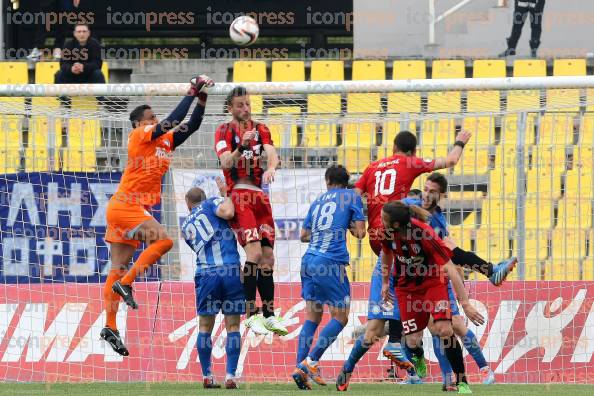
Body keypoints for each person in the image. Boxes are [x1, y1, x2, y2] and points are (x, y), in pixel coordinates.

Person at [336, 130, 471, 390]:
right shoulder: (411, 169)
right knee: (420, 324)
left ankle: (356, 367)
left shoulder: (374, 166)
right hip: (395, 245)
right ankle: (393, 351)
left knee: (396, 326)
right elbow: (451, 161)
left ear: (394, 146)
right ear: (412, 151)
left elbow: (352, 195)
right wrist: (460, 141)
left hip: (383, 241)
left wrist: (357, 224)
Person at [100, 75, 214, 355]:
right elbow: (172, 121)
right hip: (127, 206)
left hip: (124, 207)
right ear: (140, 123)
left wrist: (201, 99)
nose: (156, 120)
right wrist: (190, 90)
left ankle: (110, 326)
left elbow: (191, 125)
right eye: (150, 118)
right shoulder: (139, 136)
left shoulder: (164, 142)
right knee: (164, 242)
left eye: (155, 117)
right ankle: (127, 285)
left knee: (117, 266)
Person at [403, 173, 517, 388]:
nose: (427, 194)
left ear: (442, 195)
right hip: (411, 280)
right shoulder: (410, 205)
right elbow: (391, 212)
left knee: (451, 326)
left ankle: (480, 371)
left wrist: (463, 294)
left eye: (432, 192)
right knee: (431, 330)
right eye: (425, 189)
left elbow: (452, 254)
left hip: (435, 280)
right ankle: (432, 377)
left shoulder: (437, 220)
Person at [380, 201, 485, 394]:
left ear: (395, 224)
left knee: (445, 330)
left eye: (384, 218)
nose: (380, 220)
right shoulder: (386, 232)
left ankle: (461, 382)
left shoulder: (424, 234)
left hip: (432, 283)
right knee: (412, 340)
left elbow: (450, 269)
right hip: (406, 288)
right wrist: (386, 281)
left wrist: (465, 304)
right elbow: (386, 254)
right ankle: (418, 356)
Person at [214, 86, 286, 336]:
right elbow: (225, 162)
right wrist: (242, 147)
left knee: (268, 257)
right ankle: (249, 313)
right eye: (240, 105)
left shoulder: (261, 128)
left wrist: (272, 167)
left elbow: (271, 152)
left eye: (247, 104)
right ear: (230, 108)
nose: (245, 109)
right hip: (240, 196)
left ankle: (269, 314)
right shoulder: (223, 130)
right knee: (253, 252)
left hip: (260, 197)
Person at [292, 165, 366, 390]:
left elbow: (303, 235)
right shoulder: (351, 196)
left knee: (312, 318)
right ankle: (310, 363)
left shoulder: (318, 201)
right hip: (330, 262)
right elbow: (361, 233)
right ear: (346, 182)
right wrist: (350, 226)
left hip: (308, 261)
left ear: (327, 182)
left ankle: (299, 367)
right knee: (341, 316)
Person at [181, 182, 244, 389]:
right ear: (204, 198)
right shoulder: (211, 203)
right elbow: (228, 212)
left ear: (188, 205)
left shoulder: (185, 226)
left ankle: (207, 375)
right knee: (233, 325)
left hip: (206, 274)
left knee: (205, 327)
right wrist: (226, 193)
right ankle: (230, 376)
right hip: (230, 271)